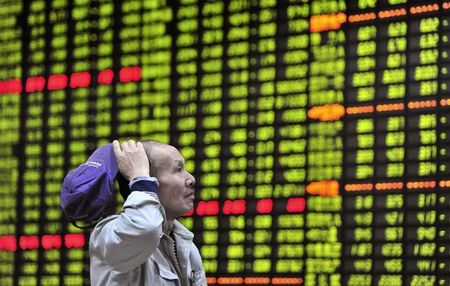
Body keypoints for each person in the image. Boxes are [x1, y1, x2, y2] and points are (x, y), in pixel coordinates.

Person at [89, 139, 207, 285]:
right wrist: (139, 177)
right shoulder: (110, 235)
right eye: (178, 169)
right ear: (148, 180)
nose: (191, 179)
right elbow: (146, 228)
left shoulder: (186, 246)